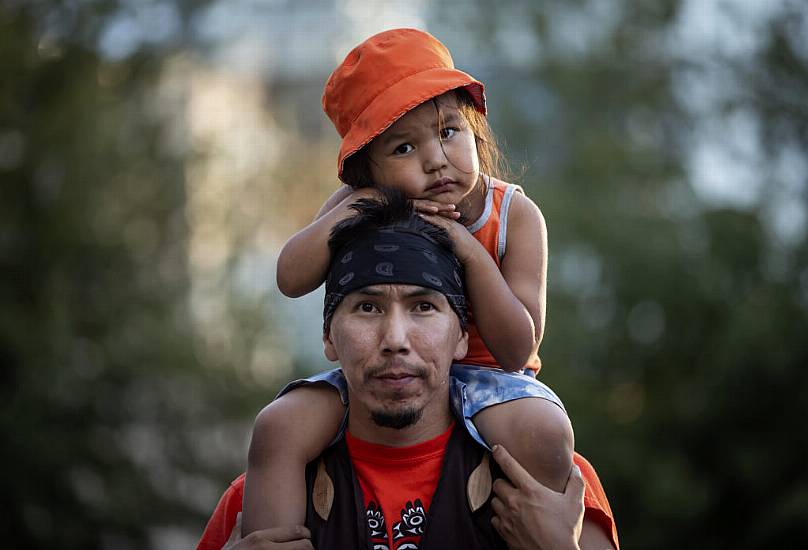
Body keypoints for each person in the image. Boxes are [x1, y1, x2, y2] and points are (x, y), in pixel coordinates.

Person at [244, 27, 579, 538]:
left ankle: (534, 532)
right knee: (278, 425)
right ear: (367, 170)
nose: (434, 158)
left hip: (495, 384)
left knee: (547, 430)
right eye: (403, 146)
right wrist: (359, 207)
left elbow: (517, 348)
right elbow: (291, 277)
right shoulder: (362, 200)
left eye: (449, 131)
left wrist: (466, 249)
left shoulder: (514, 214)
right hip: (385, 376)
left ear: (474, 128)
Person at [197, 192, 619, 549]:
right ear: (328, 335)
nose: (395, 338)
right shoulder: (260, 496)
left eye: (423, 307)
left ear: (461, 336)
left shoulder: (550, 487)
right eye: (367, 307)